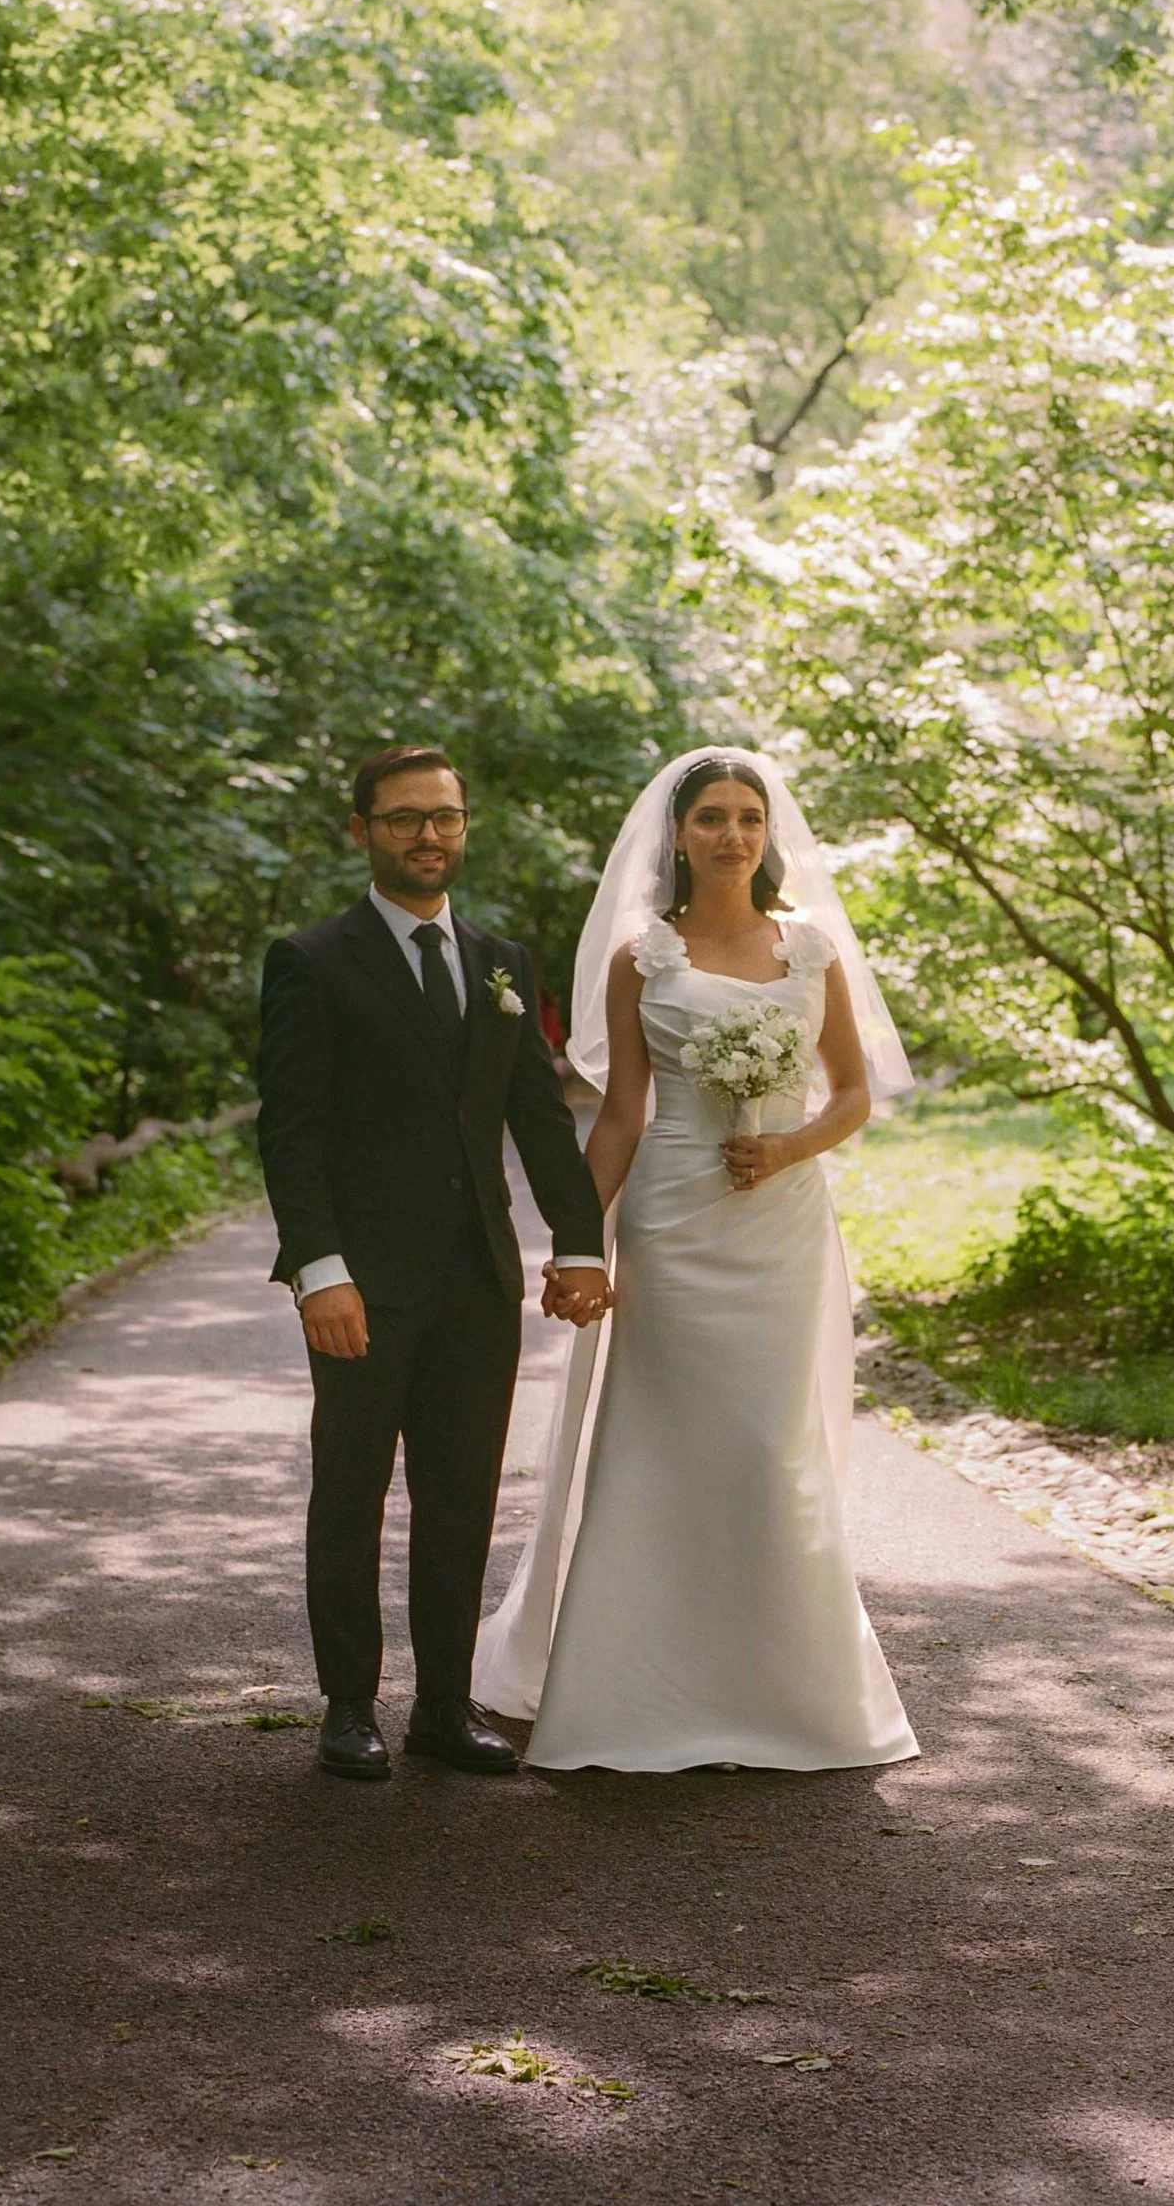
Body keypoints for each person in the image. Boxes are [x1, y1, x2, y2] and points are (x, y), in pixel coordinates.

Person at [474, 747, 919, 1772]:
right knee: (658, 1442)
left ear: (769, 834)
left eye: (748, 818)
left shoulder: (809, 950)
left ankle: (782, 1696)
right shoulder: (644, 957)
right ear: (676, 835)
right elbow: (623, 1111)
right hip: (673, 1215)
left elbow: (849, 1092)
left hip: (780, 1221)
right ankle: (635, 1691)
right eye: (711, 817)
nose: (732, 835)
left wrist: (790, 1146)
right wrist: (578, 1245)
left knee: (771, 1444)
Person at [256, 746, 610, 1781]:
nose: (428, 836)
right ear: (360, 828)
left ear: (466, 825)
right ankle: (350, 1705)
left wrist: (578, 1242)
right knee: (352, 1489)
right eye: (405, 818)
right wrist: (318, 1269)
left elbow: (540, 1122)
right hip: (361, 1285)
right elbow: (293, 1131)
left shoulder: (501, 960)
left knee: (461, 1495)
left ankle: (445, 1709)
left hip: (476, 1283)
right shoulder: (312, 960)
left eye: (445, 817)